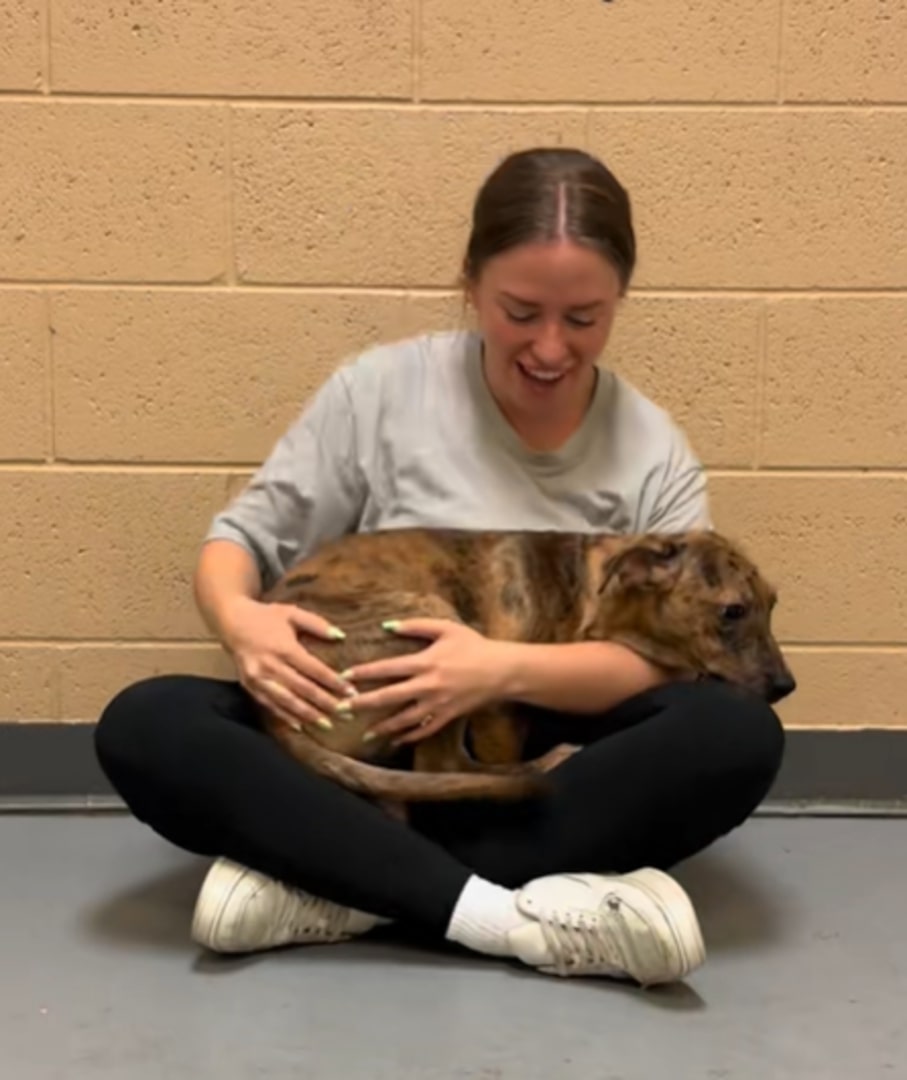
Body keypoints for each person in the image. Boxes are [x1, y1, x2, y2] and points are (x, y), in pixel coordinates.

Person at [94, 146, 787, 986]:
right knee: (148, 724)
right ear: (470, 285)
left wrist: (495, 670)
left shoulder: (651, 448)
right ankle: (510, 913)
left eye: (583, 318)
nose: (548, 347)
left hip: (539, 733)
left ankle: (339, 876)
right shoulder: (381, 392)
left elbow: (657, 660)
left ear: (619, 303)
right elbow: (238, 541)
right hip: (365, 718)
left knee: (735, 735)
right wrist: (242, 625)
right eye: (520, 310)